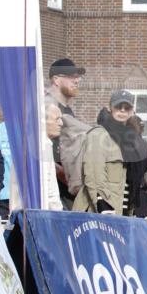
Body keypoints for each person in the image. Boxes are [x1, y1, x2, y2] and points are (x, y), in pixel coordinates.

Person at [73, 90, 147, 217]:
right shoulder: (98, 134)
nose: (122, 110)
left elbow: (131, 181)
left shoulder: (131, 140)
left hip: (123, 211)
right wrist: (102, 203)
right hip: (100, 211)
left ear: (132, 110)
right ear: (110, 108)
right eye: (118, 106)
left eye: (127, 107)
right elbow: (93, 173)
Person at [44, 57, 89, 207]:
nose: (77, 80)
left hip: (66, 190)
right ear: (56, 79)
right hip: (53, 191)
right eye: (71, 76)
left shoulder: (66, 109)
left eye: (78, 77)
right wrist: (65, 175)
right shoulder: (46, 107)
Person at [10, 102, 64, 213]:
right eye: (57, 119)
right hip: (39, 215)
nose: (61, 123)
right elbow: (47, 186)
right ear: (42, 121)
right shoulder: (41, 146)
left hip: (23, 214)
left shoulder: (29, 142)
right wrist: (57, 213)